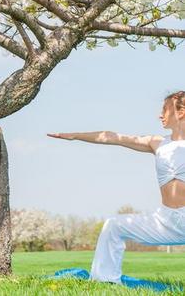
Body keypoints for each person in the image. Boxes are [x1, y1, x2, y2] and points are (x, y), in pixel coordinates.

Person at [47, 90, 185, 284]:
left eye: (165, 109)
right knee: (113, 225)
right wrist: (75, 136)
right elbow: (113, 137)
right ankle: (105, 281)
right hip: (165, 221)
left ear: (181, 112)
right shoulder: (157, 143)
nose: (160, 114)